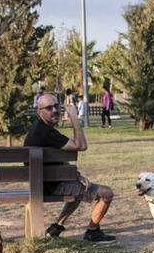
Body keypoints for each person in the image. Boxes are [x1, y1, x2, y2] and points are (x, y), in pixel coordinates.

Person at [24, 92, 116, 243]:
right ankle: (93, 232)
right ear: (39, 111)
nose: (54, 110)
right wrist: (74, 117)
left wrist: (76, 176)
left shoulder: (40, 129)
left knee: (79, 187)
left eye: (56, 106)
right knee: (106, 193)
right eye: (48, 108)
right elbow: (81, 145)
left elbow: (54, 160)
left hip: (43, 182)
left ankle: (57, 226)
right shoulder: (45, 132)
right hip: (50, 185)